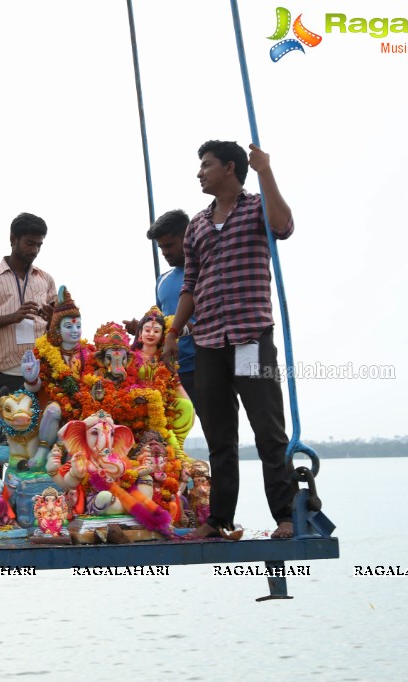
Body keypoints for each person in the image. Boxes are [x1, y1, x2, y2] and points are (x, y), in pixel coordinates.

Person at [164, 140, 296, 541]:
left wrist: (266, 171)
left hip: (250, 340)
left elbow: (283, 226)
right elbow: (190, 285)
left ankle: (286, 515)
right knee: (220, 437)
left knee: (267, 430)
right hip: (208, 344)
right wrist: (173, 333)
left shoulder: (256, 206)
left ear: (230, 168)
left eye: (206, 165)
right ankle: (219, 518)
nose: (200, 172)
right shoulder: (198, 226)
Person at [0, 212, 57, 399]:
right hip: (8, 372)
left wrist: (53, 319)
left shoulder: (46, 279)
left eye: (39, 245)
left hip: (45, 371)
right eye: (29, 243)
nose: (35, 251)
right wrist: (12, 318)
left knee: (44, 427)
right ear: (12, 239)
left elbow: (59, 324)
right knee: (12, 426)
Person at [146, 210, 198, 407]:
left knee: (218, 429)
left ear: (187, 237)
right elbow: (160, 321)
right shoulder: (162, 280)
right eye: (161, 248)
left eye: (169, 245)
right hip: (172, 370)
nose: (165, 252)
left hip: (205, 365)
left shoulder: (206, 271)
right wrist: (143, 328)